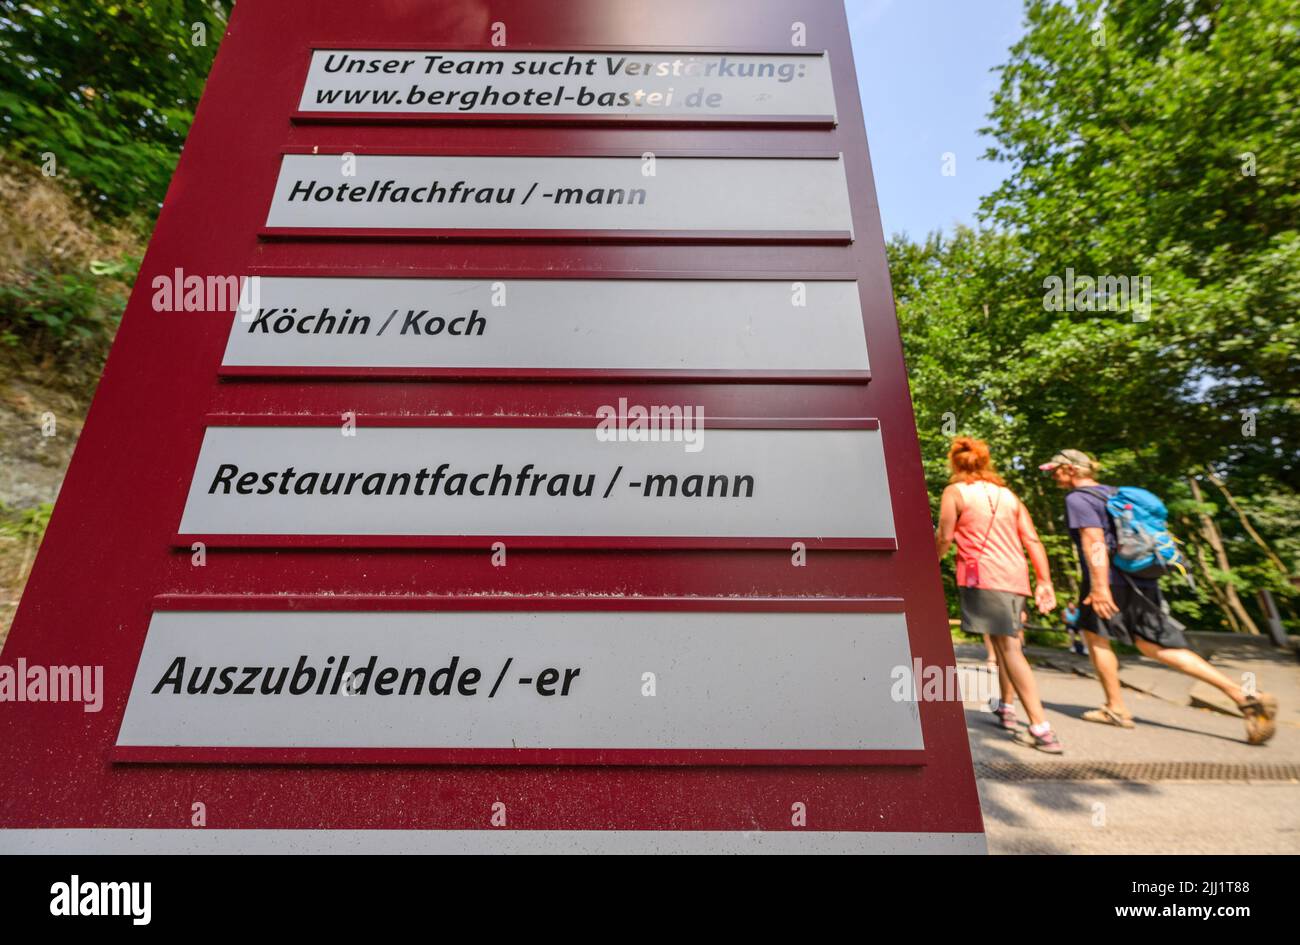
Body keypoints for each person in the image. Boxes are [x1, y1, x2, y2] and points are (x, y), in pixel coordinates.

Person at [1040, 449, 1279, 744]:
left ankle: (1116, 708)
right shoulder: (1113, 494)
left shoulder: (1079, 499)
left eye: (1056, 470)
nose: (1053, 476)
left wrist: (1099, 587)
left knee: (1095, 637)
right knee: (1153, 645)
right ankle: (1243, 695)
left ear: (1072, 470)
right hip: (1141, 578)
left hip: (1110, 581)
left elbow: (1094, 543)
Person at [936, 437, 1062, 753]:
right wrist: (1044, 580)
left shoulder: (955, 493)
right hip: (1016, 576)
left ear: (956, 464)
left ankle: (1040, 726)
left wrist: (929, 562)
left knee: (1008, 646)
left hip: (984, 576)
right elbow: (1032, 540)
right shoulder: (1008, 496)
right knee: (1005, 638)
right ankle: (1006, 706)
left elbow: (945, 536)